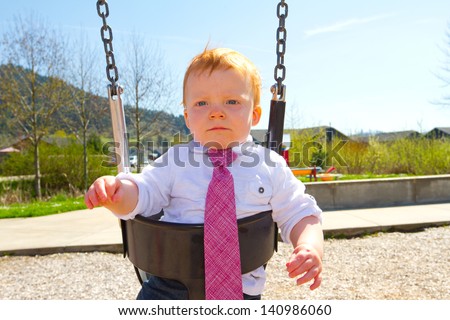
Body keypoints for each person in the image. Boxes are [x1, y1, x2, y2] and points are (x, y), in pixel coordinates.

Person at [85, 47, 324, 300]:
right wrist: (118, 192)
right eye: (202, 103)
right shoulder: (175, 162)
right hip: (169, 286)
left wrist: (309, 246)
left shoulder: (270, 166)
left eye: (232, 101)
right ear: (188, 117)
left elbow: (300, 212)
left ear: (254, 115)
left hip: (242, 291)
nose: (216, 111)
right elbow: (144, 192)